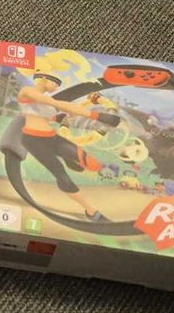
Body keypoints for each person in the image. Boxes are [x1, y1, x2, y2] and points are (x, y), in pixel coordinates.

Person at [17, 73, 121, 220]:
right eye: (55, 84)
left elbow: (52, 114)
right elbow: (60, 105)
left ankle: (66, 158)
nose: (56, 88)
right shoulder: (27, 91)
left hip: (52, 138)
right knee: (62, 177)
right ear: (44, 79)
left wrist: (62, 117)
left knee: (92, 164)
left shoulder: (45, 101)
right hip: (33, 140)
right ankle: (91, 211)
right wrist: (99, 116)